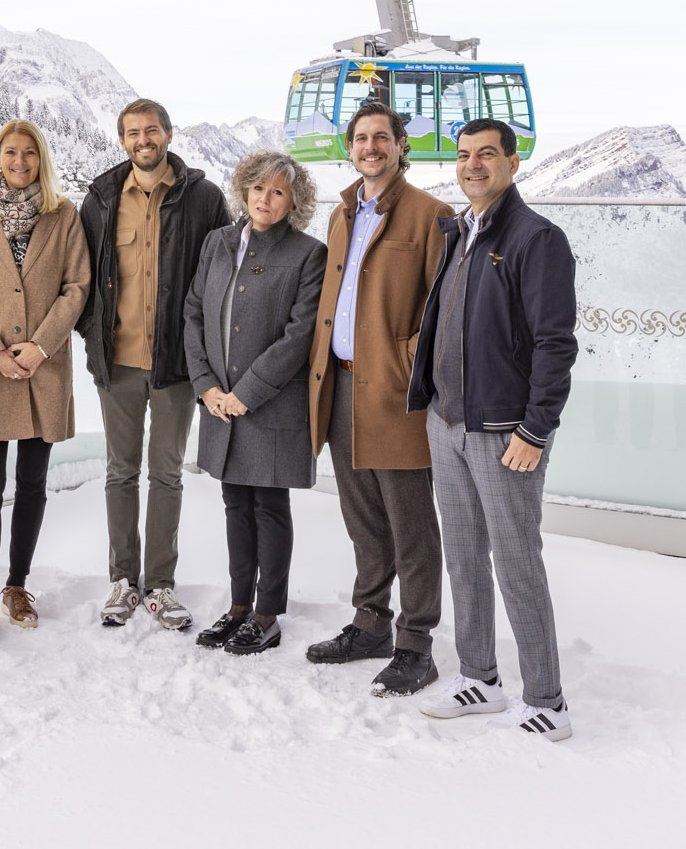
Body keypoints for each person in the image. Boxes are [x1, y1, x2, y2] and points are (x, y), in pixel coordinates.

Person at [410, 119, 579, 739]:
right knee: (463, 557)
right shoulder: (462, 230)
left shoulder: (536, 238)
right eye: (463, 155)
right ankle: (478, 677)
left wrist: (535, 431)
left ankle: (547, 701)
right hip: (448, 421)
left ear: (513, 162)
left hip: (504, 431)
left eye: (486, 154)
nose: (472, 165)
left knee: (515, 561)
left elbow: (556, 344)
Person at [304, 101, 454, 697]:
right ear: (351, 148)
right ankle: (370, 626)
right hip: (340, 386)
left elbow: (443, 311)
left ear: (400, 146)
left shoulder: (431, 215)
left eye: (381, 137)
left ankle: (416, 645)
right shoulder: (343, 213)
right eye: (361, 138)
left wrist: (404, 361)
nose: (371, 147)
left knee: (410, 525)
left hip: (396, 392)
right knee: (364, 519)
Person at [77, 97, 231, 629]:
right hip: (116, 363)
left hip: (176, 365)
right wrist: (90, 331)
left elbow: (221, 278)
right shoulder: (100, 199)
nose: (143, 140)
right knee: (120, 472)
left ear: (168, 133)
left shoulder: (204, 198)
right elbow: (81, 275)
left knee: (166, 473)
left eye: (151, 130)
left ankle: (161, 584)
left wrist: (205, 350)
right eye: (133, 133)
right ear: (122, 140)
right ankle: (123, 580)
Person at [0, 120, 91, 649]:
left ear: (41, 159)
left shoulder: (64, 214)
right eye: (10, 152)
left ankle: (16, 587)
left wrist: (41, 346)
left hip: (43, 365)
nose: (19, 161)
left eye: (29, 153)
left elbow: (76, 286)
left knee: (32, 484)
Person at [183, 151, 326, 656]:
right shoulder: (217, 242)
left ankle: (267, 616)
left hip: (270, 404)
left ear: (294, 202)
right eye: (259, 188)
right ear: (244, 190)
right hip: (219, 402)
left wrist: (247, 393)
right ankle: (239, 606)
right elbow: (193, 313)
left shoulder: (309, 254)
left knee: (269, 506)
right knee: (235, 505)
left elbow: (300, 335)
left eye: (278, 191)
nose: (266, 198)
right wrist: (205, 385)